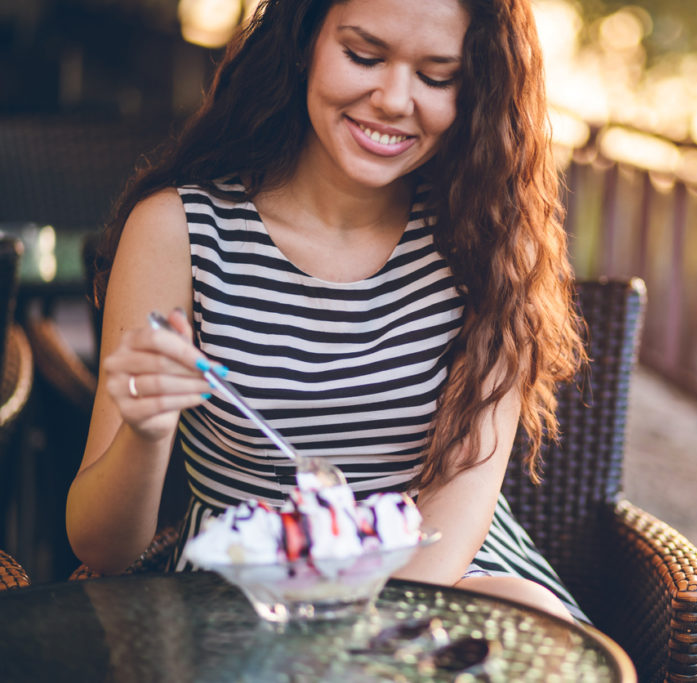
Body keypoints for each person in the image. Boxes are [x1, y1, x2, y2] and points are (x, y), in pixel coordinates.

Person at [65, 0, 588, 622]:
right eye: (363, 55)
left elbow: (459, 507)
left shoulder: (488, 239)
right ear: (304, 40)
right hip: (245, 590)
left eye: (437, 76)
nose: (395, 99)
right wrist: (146, 435)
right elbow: (100, 548)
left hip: (439, 570)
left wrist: (349, 645)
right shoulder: (177, 230)